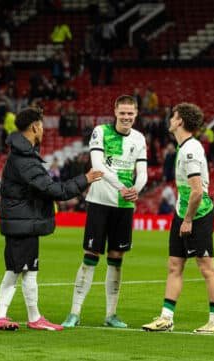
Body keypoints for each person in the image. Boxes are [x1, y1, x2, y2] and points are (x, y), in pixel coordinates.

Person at [0, 108, 102, 331]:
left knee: (29, 270)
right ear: (34, 127)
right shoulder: (25, 160)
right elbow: (54, 190)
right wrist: (85, 179)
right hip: (22, 222)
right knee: (15, 270)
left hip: (25, 221)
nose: (43, 129)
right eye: (41, 125)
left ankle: (34, 317)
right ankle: (1, 316)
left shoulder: (24, 155)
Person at [61, 95, 148, 329]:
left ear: (136, 114)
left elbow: (143, 172)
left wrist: (136, 190)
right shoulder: (100, 132)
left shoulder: (139, 139)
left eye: (131, 113)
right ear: (115, 111)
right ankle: (74, 312)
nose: (127, 117)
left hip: (124, 206)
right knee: (90, 257)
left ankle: (111, 314)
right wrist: (122, 187)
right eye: (123, 113)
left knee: (117, 259)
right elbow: (97, 166)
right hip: (100, 201)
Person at [142, 103, 214, 334]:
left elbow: (197, 191)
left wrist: (187, 219)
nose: (170, 119)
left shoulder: (190, 150)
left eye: (173, 116)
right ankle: (166, 318)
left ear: (180, 121)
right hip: (183, 212)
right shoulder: (184, 147)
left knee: (207, 267)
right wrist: (182, 216)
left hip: (197, 214)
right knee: (174, 265)